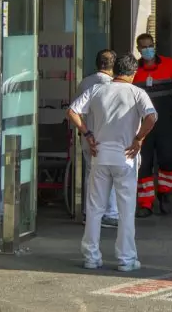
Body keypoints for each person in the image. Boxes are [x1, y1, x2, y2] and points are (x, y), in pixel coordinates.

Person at [67, 54, 158, 272]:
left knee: (95, 208)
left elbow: (72, 111)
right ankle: (126, 259)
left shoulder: (97, 90)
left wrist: (87, 134)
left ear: (115, 70)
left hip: (100, 156)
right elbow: (151, 117)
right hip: (126, 158)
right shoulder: (137, 93)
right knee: (126, 210)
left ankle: (91, 256)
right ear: (133, 72)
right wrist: (138, 139)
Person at [132, 33, 172, 218]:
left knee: (168, 159)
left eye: (150, 46)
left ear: (154, 46)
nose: (147, 50)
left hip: (166, 120)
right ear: (139, 49)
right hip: (143, 122)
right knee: (144, 163)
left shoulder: (169, 64)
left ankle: (165, 196)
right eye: (143, 47)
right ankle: (145, 203)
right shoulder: (134, 70)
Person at [75, 49, 119, 229]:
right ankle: (109, 213)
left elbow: (75, 111)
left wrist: (84, 133)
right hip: (109, 139)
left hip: (89, 136)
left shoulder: (85, 83)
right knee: (111, 176)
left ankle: (90, 212)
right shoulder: (115, 86)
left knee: (91, 175)